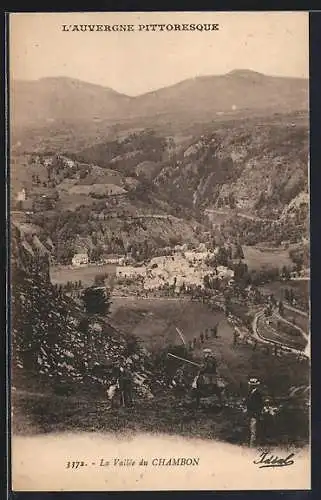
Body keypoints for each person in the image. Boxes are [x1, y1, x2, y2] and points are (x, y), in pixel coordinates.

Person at [245, 378, 264, 447]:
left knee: (253, 431)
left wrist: (257, 413)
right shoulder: (250, 393)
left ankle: (252, 446)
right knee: (250, 430)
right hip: (250, 414)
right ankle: (250, 445)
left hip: (254, 414)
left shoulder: (258, 394)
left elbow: (260, 405)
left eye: (252, 385)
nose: (251, 386)